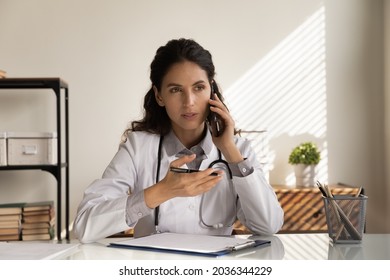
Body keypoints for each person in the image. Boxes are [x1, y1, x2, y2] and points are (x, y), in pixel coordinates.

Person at [74, 38, 284, 243]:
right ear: (159, 96)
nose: (189, 102)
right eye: (176, 90)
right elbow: (84, 226)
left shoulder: (238, 150)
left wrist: (230, 150)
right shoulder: (138, 147)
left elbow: (268, 226)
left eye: (199, 87)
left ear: (211, 88)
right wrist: (162, 191)